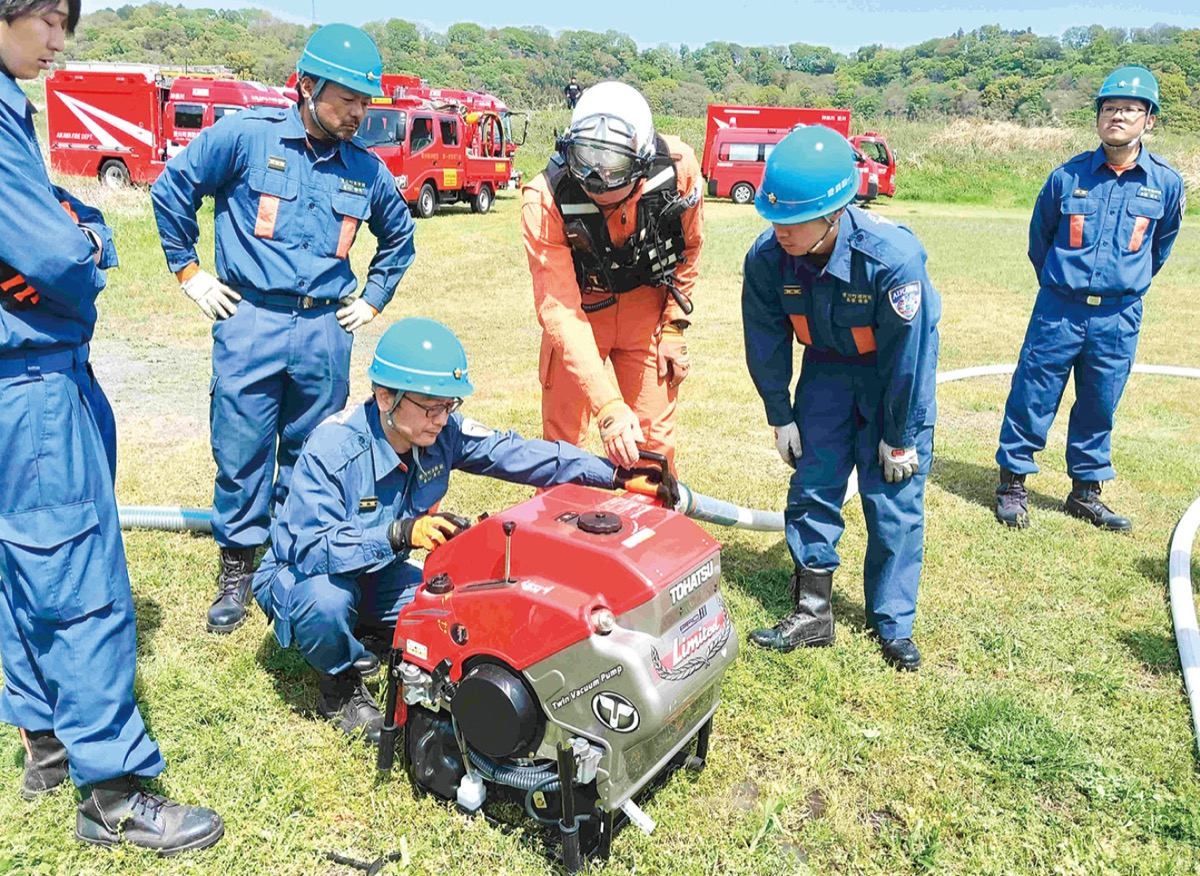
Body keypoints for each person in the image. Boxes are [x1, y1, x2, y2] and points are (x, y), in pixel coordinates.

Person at [0, 0, 223, 852]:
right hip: (31, 386)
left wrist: (64, 229)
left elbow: (47, 215)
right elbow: (61, 252)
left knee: (21, 563)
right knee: (82, 579)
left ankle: (45, 742)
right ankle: (115, 794)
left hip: (20, 381)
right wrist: (88, 245)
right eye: (50, 18)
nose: (60, 40)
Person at [251, 318, 645, 742]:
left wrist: (612, 474)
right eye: (429, 406)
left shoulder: (439, 430)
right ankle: (339, 685)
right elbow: (310, 548)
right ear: (386, 397)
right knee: (326, 604)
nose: (441, 419)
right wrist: (400, 534)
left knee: (457, 601)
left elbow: (516, 452)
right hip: (304, 573)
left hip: (379, 570)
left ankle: (372, 630)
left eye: (449, 405)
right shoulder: (332, 450)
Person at [151, 24, 416, 634]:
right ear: (306, 86)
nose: (358, 113)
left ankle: (294, 559)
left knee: (312, 451)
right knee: (241, 447)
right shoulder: (246, 137)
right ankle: (238, 567)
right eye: (346, 99)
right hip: (252, 321)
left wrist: (372, 299)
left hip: (325, 329)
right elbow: (172, 191)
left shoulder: (366, 171)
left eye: (364, 102)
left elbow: (399, 236)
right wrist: (190, 273)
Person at [741, 127, 940, 672]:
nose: (778, 231)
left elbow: (909, 359)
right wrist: (780, 415)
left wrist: (899, 438)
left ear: (835, 212)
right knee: (813, 482)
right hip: (825, 371)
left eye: (793, 220)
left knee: (891, 497)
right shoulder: (766, 259)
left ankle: (892, 623)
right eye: (773, 218)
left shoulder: (891, 261)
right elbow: (765, 339)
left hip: (890, 377)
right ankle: (813, 611)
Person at [994, 65, 1184, 532]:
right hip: (1059, 309)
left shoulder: (1166, 184)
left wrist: (1122, 284)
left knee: (1100, 402)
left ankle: (1086, 493)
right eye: (1109, 108)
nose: (1117, 116)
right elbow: (1040, 240)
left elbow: (1161, 247)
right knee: (1033, 393)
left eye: (1130, 109)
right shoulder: (1066, 176)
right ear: (1098, 117)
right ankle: (1012, 485)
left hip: (1119, 316)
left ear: (1149, 120)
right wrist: (1066, 285)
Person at [522, 80, 703, 471]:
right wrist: (608, 406)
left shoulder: (677, 169)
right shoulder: (545, 197)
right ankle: (562, 526)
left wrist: (674, 326)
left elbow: (689, 249)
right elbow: (560, 308)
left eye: (613, 164)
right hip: (582, 312)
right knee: (562, 444)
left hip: (647, 313)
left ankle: (650, 528)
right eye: (587, 159)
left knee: (653, 444)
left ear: (641, 157)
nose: (599, 178)